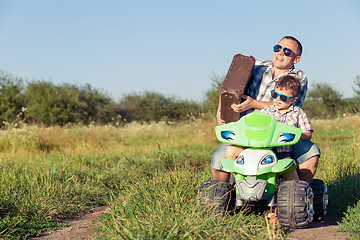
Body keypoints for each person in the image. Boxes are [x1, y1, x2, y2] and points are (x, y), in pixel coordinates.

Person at [211, 36, 320, 183]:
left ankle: (297, 196)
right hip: (246, 132)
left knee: (311, 154)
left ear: (296, 59)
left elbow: (289, 108)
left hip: (279, 135)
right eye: (278, 48)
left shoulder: (298, 78)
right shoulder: (257, 65)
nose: (281, 53)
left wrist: (253, 104)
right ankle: (225, 198)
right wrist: (221, 108)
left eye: (287, 51)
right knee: (219, 160)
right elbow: (229, 87)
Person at [225, 75, 314, 181]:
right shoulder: (267, 110)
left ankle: (296, 192)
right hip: (261, 150)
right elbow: (254, 123)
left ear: (293, 100)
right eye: (275, 94)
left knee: (293, 179)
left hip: (282, 152)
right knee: (231, 151)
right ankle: (239, 182)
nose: (278, 99)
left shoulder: (298, 113)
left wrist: (298, 134)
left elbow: (308, 133)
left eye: (283, 97)